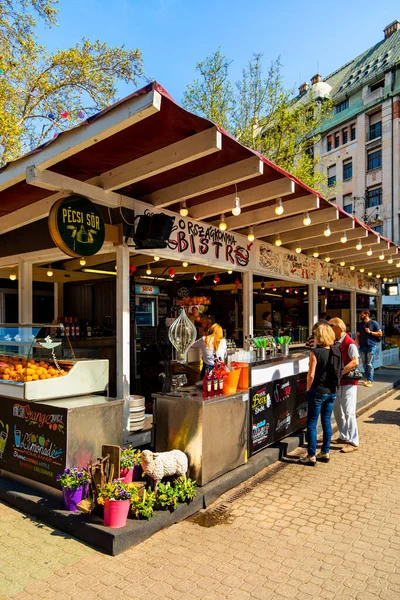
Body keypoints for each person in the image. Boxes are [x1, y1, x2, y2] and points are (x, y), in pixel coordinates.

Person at [300, 322, 342, 466]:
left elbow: (311, 374)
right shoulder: (336, 350)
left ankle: (311, 455)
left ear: (319, 336)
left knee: (312, 422)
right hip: (331, 391)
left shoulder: (315, 352)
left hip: (317, 391)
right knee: (326, 421)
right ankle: (325, 452)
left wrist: (307, 389)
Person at [329, 318, 360, 452]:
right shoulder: (334, 342)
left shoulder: (349, 343)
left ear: (339, 328)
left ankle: (353, 441)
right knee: (337, 409)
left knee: (349, 411)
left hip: (349, 382)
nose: (329, 329)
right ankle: (343, 435)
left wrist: (340, 372)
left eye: (331, 326)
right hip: (338, 382)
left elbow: (355, 362)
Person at [356, 309, 382, 387]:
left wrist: (370, 332)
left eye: (362, 314)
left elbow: (380, 333)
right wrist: (358, 344)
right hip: (362, 346)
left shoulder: (374, 323)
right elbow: (358, 335)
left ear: (366, 314)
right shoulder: (360, 324)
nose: (360, 315)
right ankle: (367, 378)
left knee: (370, 364)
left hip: (371, 345)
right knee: (364, 363)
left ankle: (370, 380)